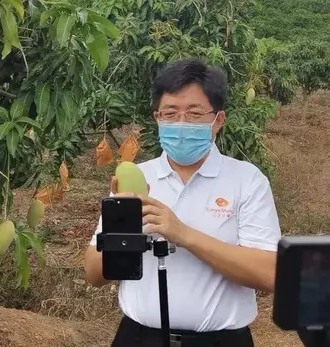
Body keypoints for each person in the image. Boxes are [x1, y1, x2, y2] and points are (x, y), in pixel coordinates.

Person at [83, 58, 282, 347]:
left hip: (221, 342)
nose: (181, 124)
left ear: (218, 121)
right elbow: (92, 274)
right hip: (139, 338)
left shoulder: (247, 180)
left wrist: (183, 234)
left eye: (194, 114)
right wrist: (123, 228)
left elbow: (270, 274)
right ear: (157, 118)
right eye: (171, 113)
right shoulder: (137, 178)